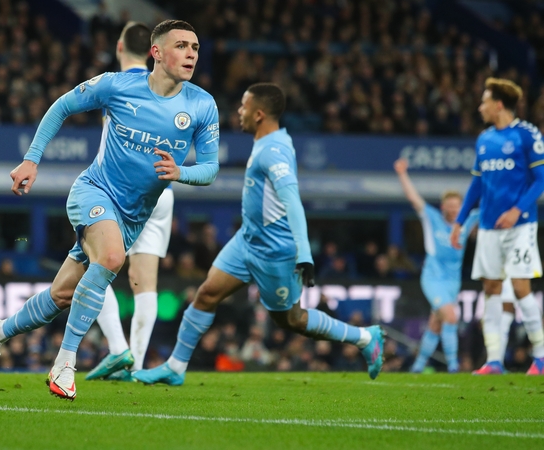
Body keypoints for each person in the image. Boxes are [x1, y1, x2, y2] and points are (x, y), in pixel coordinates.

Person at [0, 20, 220, 400]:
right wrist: (31, 160)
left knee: (60, 297)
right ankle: (65, 364)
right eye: (181, 46)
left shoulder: (201, 104)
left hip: (134, 216)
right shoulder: (117, 86)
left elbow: (211, 169)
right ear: (157, 53)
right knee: (113, 257)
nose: (191, 54)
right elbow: (62, 106)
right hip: (93, 191)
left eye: (195, 48)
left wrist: (181, 172)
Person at [133, 83, 384, 386]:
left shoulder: (273, 152)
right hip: (247, 241)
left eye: (244, 106)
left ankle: (364, 336)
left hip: (275, 253)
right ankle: (175, 367)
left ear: (260, 113)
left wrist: (304, 252)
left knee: (292, 320)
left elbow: (292, 201)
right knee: (206, 294)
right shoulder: (271, 140)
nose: (239, 111)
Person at [86, 22, 176, 382]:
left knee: (93, 265)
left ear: (120, 45)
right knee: (145, 282)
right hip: (161, 192)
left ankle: (118, 349)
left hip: (119, 192)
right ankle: (135, 365)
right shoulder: (167, 84)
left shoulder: (115, 83)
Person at [450, 77, 544, 375]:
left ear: (498, 104)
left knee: (520, 288)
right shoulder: (484, 139)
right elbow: (476, 184)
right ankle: (493, 361)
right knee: (491, 289)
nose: (481, 107)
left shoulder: (527, 135)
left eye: (484, 101)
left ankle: (541, 357)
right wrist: (460, 222)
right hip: (490, 228)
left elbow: (541, 178)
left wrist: (517, 210)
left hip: (520, 226)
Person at [393, 158, 479, 373]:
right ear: (443, 207)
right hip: (432, 277)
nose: (452, 209)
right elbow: (414, 199)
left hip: (452, 282)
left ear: (461, 207)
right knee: (451, 316)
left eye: (456, 206)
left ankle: (418, 366)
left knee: (436, 323)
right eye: (449, 206)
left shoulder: (467, 221)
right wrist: (402, 173)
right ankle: (453, 366)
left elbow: (489, 205)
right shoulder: (432, 219)